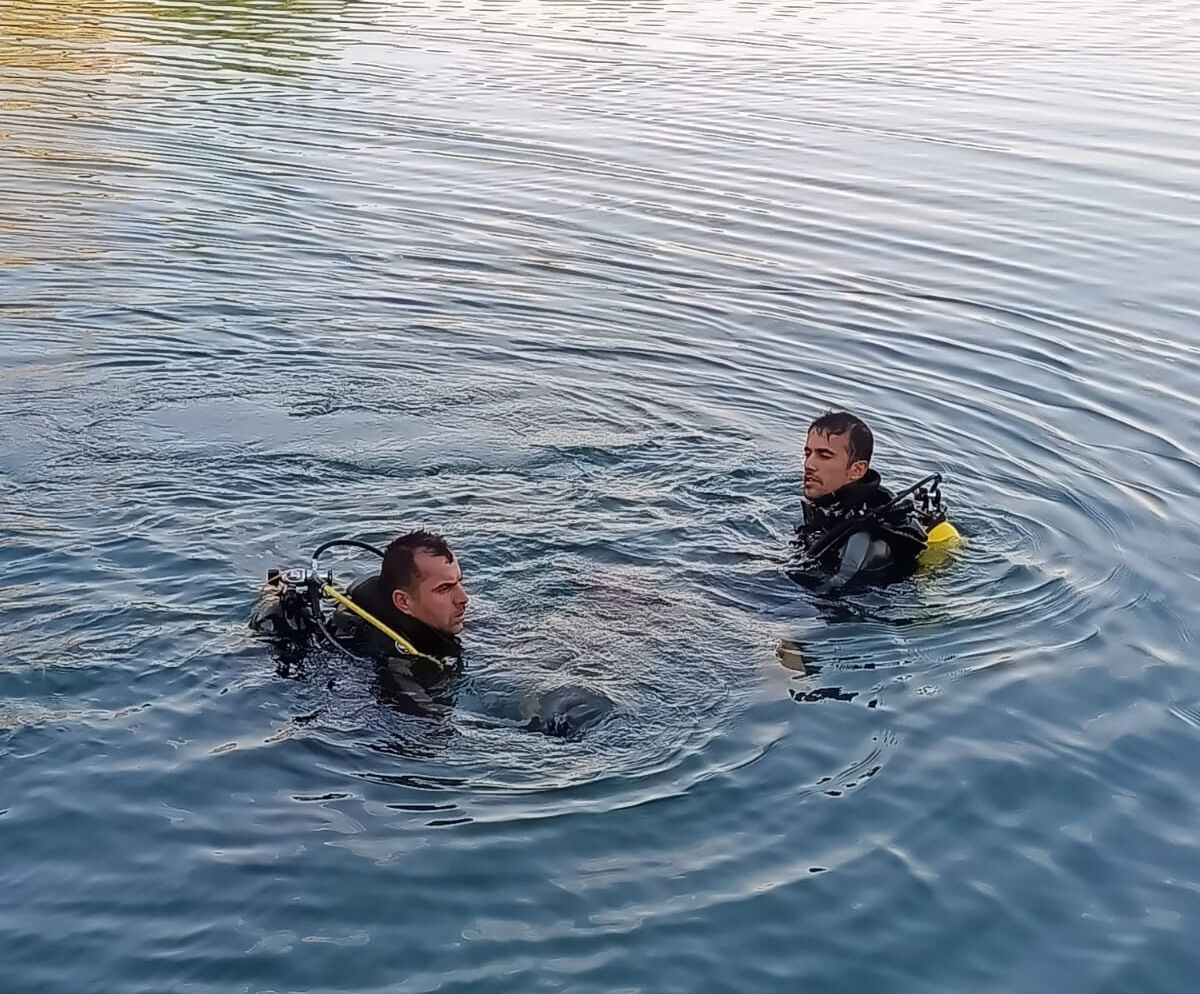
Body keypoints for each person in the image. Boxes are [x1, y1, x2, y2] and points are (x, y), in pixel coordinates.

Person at [789, 410, 927, 592]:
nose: (809, 465)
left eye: (825, 456)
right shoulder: (831, 509)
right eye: (808, 453)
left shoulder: (865, 541)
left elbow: (828, 592)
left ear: (857, 470)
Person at [332, 530, 469, 689]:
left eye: (459, 581)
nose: (464, 598)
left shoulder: (425, 619)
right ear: (403, 601)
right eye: (444, 589)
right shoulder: (392, 667)